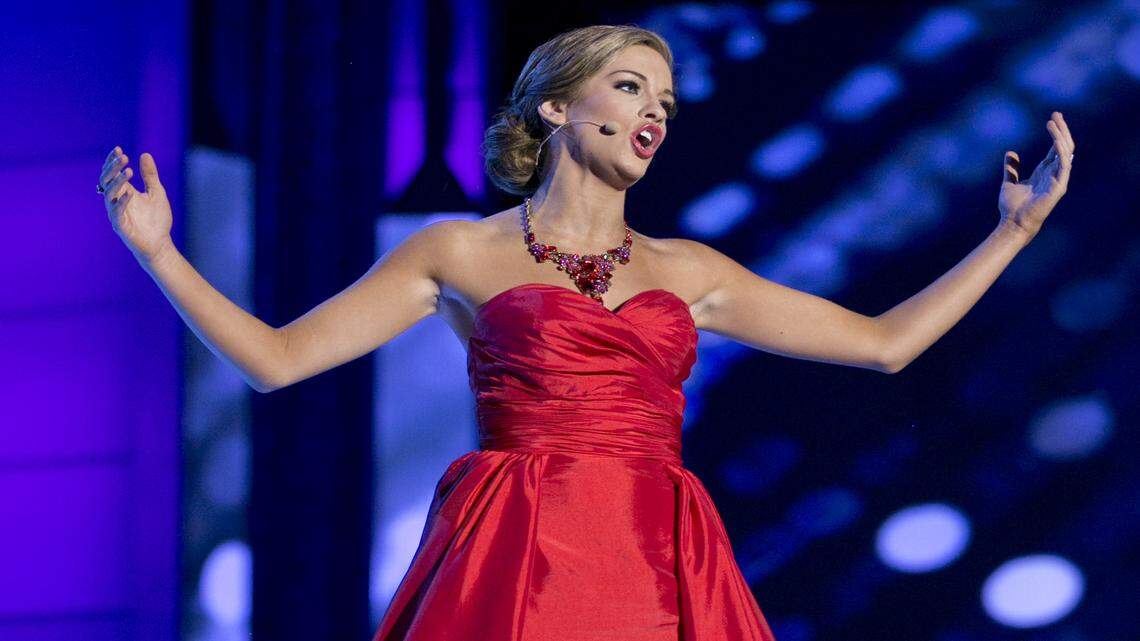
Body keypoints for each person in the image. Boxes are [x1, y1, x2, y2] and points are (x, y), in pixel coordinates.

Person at [97, 23, 1074, 641]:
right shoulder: (462, 251)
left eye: (666, 101)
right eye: (631, 88)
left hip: (657, 554)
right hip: (517, 546)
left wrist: (1013, 232)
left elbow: (882, 342)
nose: (655, 113)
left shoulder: (689, 269)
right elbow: (275, 360)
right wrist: (158, 253)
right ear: (558, 107)